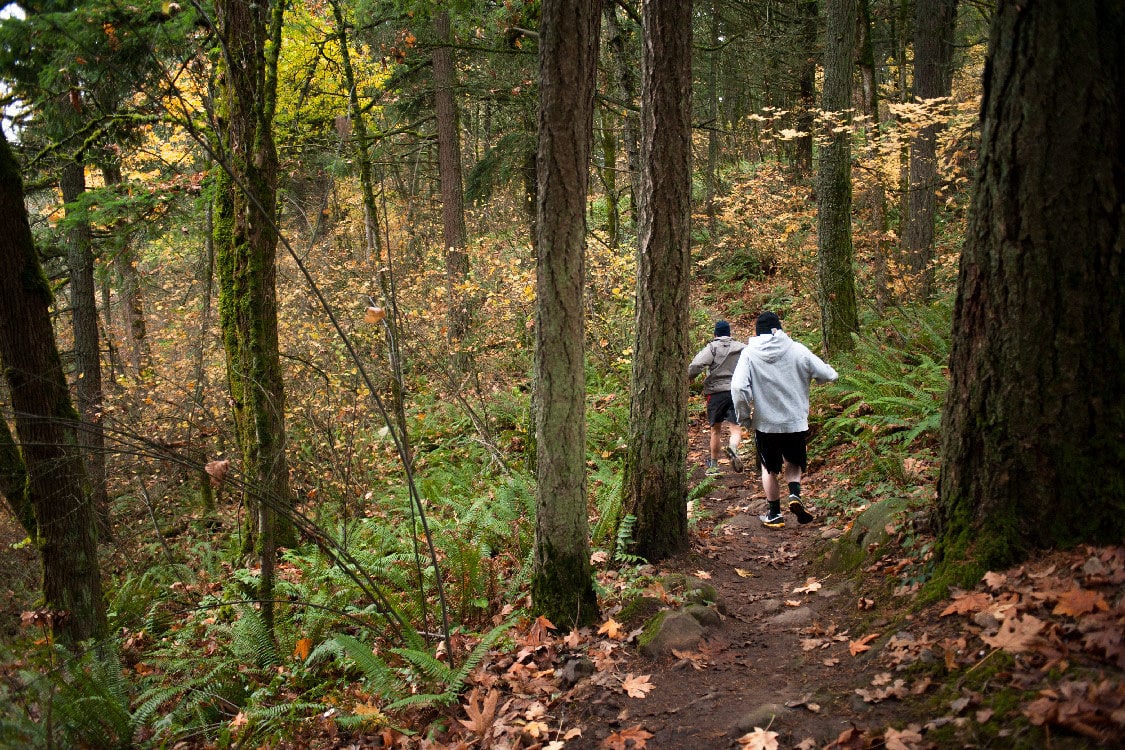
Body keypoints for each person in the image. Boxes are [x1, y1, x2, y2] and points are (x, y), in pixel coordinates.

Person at [731, 311, 838, 527]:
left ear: (757, 332)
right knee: (794, 461)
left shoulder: (750, 353)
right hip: (795, 421)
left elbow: (738, 387)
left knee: (769, 468)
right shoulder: (798, 349)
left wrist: (744, 418)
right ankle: (794, 493)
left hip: (766, 424)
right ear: (779, 329)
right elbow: (828, 375)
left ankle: (774, 514)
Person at [688, 320, 746, 475]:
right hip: (735, 390)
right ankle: (733, 448)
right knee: (735, 427)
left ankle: (713, 466)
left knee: (716, 430)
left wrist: (689, 377)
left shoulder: (712, 348)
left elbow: (696, 365)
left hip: (715, 393)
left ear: (715, 334)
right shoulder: (741, 347)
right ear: (729, 333)